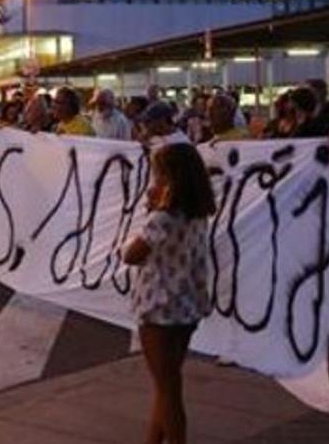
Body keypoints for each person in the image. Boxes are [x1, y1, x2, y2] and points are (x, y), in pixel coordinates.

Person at [121, 143, 215, 444]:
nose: (154, 182)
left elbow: (131, 255)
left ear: (171, 179)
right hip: (187, 307)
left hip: (158, 308)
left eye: (158, 175)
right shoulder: (197, 214)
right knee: (168, 383)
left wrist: (151, 211)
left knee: (168, 390)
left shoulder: (163, 218)